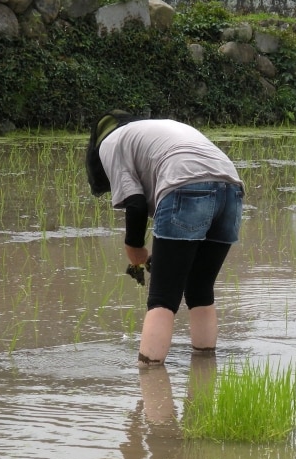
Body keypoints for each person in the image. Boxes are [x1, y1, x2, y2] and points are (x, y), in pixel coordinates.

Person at [86, 110, 244, 367]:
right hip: (232, 190)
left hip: (185, 185)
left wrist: (135, 251)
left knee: (162, 298)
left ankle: (149, 378)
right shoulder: (155, 128)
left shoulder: (111, 143)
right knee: (199, 290)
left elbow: (135, 204)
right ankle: (204, 369)